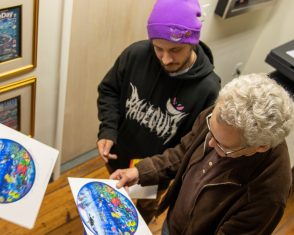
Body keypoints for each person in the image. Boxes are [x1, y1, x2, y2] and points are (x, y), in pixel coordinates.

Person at [110, 73, 294, 234]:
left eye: (223, 146)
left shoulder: (267, 197)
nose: (210, 143)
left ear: (260, 147)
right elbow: (184, 151)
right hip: (174, 222)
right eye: (210, 131)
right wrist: (141, 171)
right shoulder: (222, 115)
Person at [96, 0, 221, 223]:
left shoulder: (208, 89)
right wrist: (108, 129)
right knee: (117, 202)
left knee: (143, 210)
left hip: (156, 173)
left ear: (192, 41)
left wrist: (147, 171)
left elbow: (191, 147)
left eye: (175, 50)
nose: (165, 59)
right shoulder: (135, 54)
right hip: (119, 154)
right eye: (158, 48)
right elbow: (109, 90)